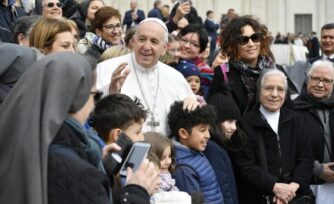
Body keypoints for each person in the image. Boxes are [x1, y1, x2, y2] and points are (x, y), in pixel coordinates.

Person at [0, 52, 159, 204]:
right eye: (94, 95)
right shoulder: (79, 173)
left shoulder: (17, 139)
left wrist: (96, 163)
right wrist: (136, 191)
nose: (93, 104)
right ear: (78, 98)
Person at [96, 18, 197, 135]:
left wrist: (192, 105)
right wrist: (111, 91)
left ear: (164, 48)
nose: (146, 46)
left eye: (154, 41)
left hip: (167, 149)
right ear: (133, 41)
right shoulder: (105, 69)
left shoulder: (176, 77)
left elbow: (190, 123)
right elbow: (91, 116)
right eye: (142, 39)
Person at [235, 69, 314, 204]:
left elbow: (305, 158)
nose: (275, 94)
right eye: (269, 88)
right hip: (259, 197)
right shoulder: (245, 123)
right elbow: (246, 166)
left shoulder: (295, 120)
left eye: (280, 89)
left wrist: (291, 188)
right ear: (259, 92)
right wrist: (274, 187)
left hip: (295, 195)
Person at [210, 15, 295, 114]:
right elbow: (218, 111)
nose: (251, 44)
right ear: (232, 45)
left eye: (255, 37)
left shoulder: (276, 70)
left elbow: (289, 107)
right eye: (243, 40)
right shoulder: (223, 72)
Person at [167, 101, 224, 203]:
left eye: (208, 129)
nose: (208, 135)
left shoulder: (193, 152)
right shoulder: (184, 169)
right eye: (202, 130)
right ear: (183, 133)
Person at [293, 60, 334, 203]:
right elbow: (288, 151)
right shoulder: (293, 110)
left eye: (327, 81)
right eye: (316, 78)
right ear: (307, 80)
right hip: (307, 186)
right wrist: (317, 170)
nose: (320, 84)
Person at [205, 90, 245, 204]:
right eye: (230, 121)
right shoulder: (212, 149)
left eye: (236, 123)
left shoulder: (222, 146)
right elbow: (223, 187)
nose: (234, 127)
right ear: (215, 122)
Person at [145, 132, 192, 204]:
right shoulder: (152, 185)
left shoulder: (167, 177)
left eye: (169, 156)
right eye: (162, 158)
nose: (168, 162)